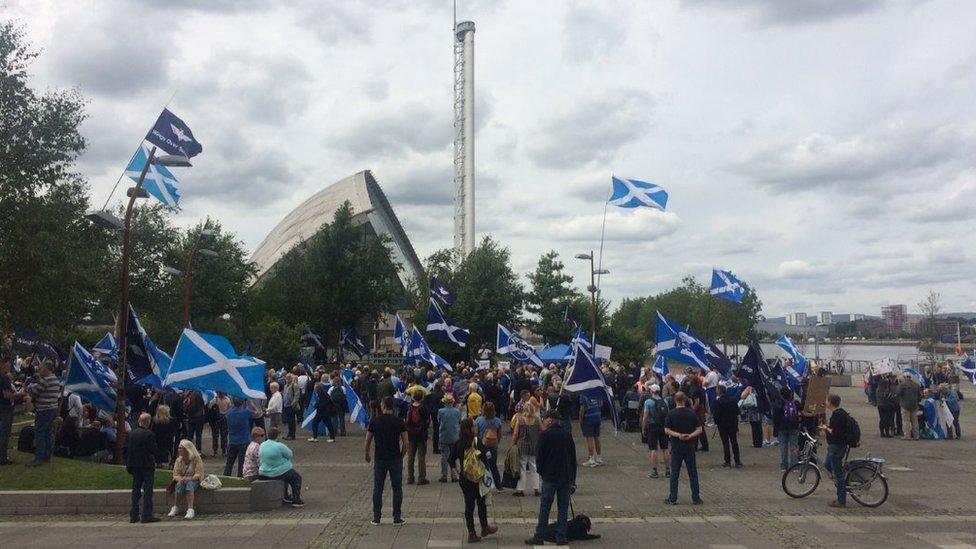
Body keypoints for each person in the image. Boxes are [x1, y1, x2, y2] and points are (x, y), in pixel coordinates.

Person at [525, 410, 577, 546]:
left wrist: (541, 472)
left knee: (545, 507)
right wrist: (573, 479)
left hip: (549, 476)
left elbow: (539, 456)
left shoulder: (545, 435)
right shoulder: (567, 435)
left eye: (545, 419)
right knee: (563, 508)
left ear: (549, 420)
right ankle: (561, 536)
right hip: (564, 477)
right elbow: (573, 458)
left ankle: (540, 535)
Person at [449, 418, 498, 543]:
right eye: (475, 426)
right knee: (481, 502)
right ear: (470, 428)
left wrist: (456, 471)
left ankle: (471, 532)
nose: (476, 428)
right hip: (478, 478)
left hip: (465, 479)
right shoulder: (476, 442)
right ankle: (484, 527)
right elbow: (485, 458)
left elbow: (450, 459)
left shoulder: (458, 443)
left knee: (469, 505)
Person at [365, 396, 407, 525]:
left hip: (380, 458)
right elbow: (406, 442)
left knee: (378, 488)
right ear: (393, 406)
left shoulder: (375, 421)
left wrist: (367, 453)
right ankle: (397, 517)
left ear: (383, 406)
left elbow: (368, 439)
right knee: (397, 488)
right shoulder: (399, 421)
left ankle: (376, 517)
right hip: (395, 457)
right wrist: (402, 454)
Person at [664, 392, 703, 505]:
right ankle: (696, 497)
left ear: (675, 400)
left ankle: (673, 497)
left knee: (675, 472)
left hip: (676, 445)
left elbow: (666, 430)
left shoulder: (671, 414)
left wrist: (678, 435)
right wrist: (690, 435)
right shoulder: (691, 413)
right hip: (690, 445)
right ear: (685, 400)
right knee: (692, 472)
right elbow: (699, 429)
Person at [258, 427, 304, 506]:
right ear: (277, 436)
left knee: (285, 477)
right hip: (277, 472)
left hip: (263, 472)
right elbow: (290, 455)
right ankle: (296, 500)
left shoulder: (262, 444)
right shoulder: (280, 446)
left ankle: (285, 496)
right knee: (296, 478)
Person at [126, 413, 159, 523]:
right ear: (148, 422)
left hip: (135, 465)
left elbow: (127, 449)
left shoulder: (132, 434)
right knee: (148, 491)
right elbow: (153, 450)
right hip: (147, 465)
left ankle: (134, 515)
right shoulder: (149, 434)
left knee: (135, 490)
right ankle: (146, 514)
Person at [28, 360, 61, 467]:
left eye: (41, 369)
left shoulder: (44, 380)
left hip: (43, 410)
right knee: (48, 432)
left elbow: (34, 393)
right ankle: (47, 455)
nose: (39, 370)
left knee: (40, 433)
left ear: (46, 369)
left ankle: (39, 458)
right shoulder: (56, 379)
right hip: (53, 409)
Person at [820, 394, 849, 508]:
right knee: (827, 465)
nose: (825, 402)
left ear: (830, 402)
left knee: (838, 474)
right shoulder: (839, 413)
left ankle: (841, 500)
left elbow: (835, 432)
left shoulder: (837, 415)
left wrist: (826, 428)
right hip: (834, 446)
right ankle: (840, 485)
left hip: (837, 446)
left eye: (827, 400)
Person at [169, 439, 204, 520]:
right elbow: (175, 474)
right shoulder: (179, 460)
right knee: (179, 485)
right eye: (178, 448)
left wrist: (190, 478)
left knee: (190, 484)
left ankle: (190, 509)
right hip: (183, 480)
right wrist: (181, 479)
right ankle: (175, 507)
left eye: (181, 448)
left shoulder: (196, 458)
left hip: (194, 480)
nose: (179, 450)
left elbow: (199, 473)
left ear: (187, 449)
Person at [642, 384, 671, 478]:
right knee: (665, 448)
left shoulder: (648, 402)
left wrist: (643, 428)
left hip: (653, 426)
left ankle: (655, 471)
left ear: (651, 391)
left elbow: (645, 416)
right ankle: (668, 470)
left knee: (653, 449)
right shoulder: (665, 401)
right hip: (663, 426)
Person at [512, 401, 541, 497]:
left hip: (522, 445)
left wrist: (513, 444)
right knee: (534, 467)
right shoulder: (537, 420)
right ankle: (536, 488)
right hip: (534, 445)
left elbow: (515, 434)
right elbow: (542, 431)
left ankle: (520, 490)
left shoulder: (520, 420)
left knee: (522, 467)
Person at [712, 384, 743, 468]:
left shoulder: (718, 402)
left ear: (719, 392)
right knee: (734, 442)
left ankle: (727, 461)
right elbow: (737, 412)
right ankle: (737, 461)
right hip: (732, 423)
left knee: (725, 443)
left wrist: (716, 422)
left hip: (722, 425)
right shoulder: (732, 400)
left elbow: (716, 415)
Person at [475, 402, 503, 490]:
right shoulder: (497, 421)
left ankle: (486, 485)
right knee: (493, 465)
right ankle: (499, 485)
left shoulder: (479, 420)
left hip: (482, 445)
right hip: (493, 445)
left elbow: (476, 433)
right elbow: (499, 435)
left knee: (484, 466)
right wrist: (496, 442)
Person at [404, 391, 430, 485]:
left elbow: (405, 420)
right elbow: (427, 421)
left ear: (413, 398)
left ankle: (410, 477)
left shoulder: (408, 408)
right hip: (421, 435)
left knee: (410, 456)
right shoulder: (424, 408)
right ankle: (421, 477)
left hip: (410, 434)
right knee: (421, 457)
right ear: (422, 398)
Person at [0, 359, 22, 465]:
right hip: (5, 408)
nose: (10, 366)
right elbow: (6, 394)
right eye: (8, 364)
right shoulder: (4, 377)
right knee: (5, 433)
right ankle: (2, 457)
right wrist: (18, 395)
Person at [225, 399, 254, 477]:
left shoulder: (228, 413)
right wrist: (251, 404)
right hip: (243, 440)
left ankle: (226, 477)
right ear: (242, 403)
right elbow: (257, 413)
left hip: (232, 440)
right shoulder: (245, 412)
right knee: (242, 463)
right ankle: (240, 478)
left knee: (229, 463)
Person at [774, 387, 800, 470]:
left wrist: (775, 429)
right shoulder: (795, 403)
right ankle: (794, 466)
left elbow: (775, 418)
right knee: (794, 446)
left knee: (783, 447)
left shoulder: (778, 404)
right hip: (794, 427)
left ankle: (783, 466)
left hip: (782, 427)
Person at [437, 393, 461, 482]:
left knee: (444, 456)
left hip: (444, 436)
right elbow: (459, 422)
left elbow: (438, 421)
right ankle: (455, 475)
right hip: (454, 436)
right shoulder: (457, 411)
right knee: (454, 456)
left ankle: (444, 476)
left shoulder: (440, 411)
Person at [579, 393, 603, 467]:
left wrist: (580, 419)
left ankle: (591, 459)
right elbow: (601, 404)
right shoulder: (596, 393)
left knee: (589, 439)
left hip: (589, 418)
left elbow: (582, 408)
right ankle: (599, 458)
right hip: (597, 416)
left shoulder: (583, 395)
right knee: (597, 437)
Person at [897, 374, 921, 440]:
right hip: (914, 405)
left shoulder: (902, 385)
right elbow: (919, 396)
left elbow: (898, 393)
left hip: (905, 405)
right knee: (915, 421)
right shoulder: (916, 385)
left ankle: (907, 435)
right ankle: (916, 436)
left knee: (906, 421)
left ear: (905, 377)